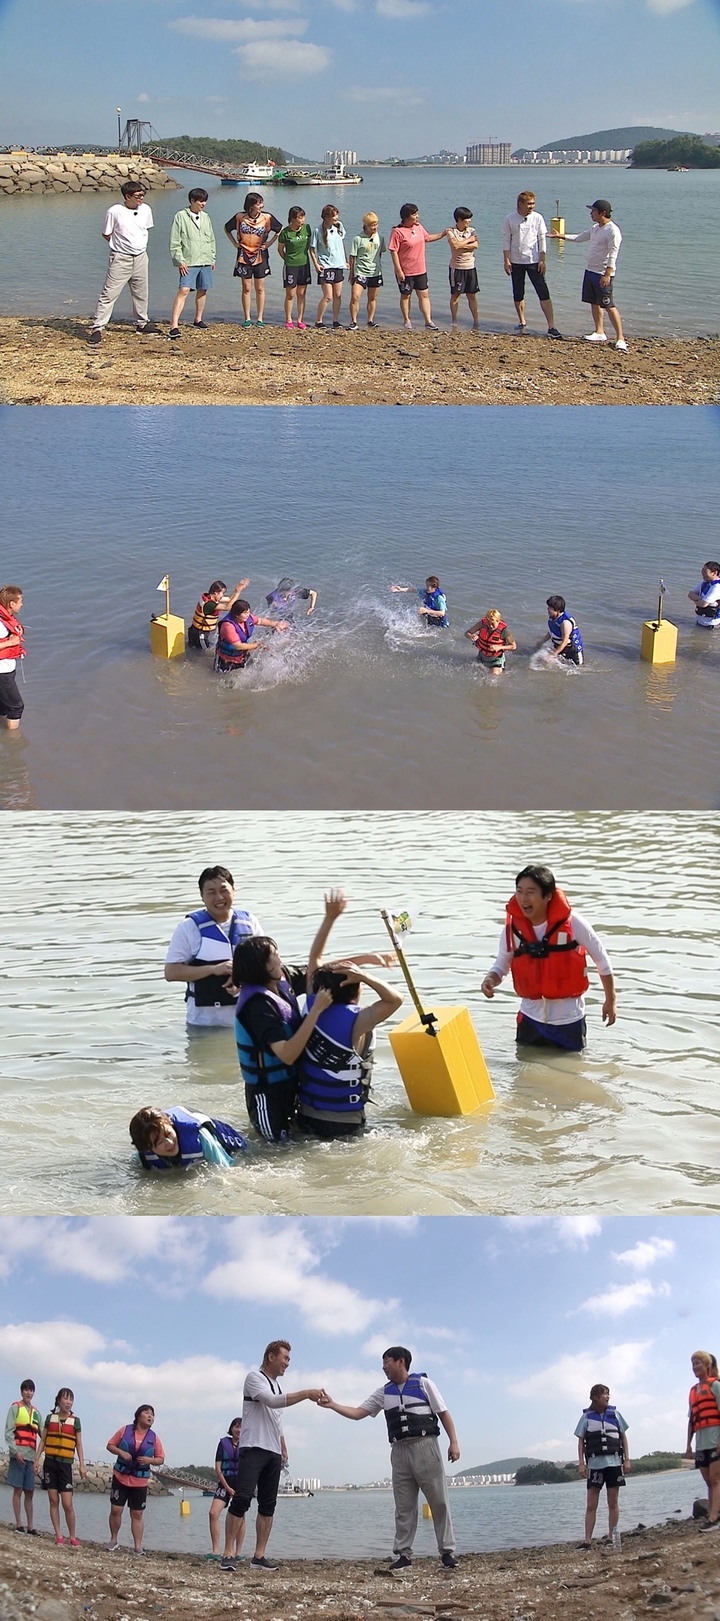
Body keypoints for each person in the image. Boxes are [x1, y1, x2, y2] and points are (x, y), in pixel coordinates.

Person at [318, 1346, 459, 1570]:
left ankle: (447, 1552)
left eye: (387, 1362)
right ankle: (404, 1554)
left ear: (400, 1361)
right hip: (399, 1451)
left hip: (426, 1446)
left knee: (439, 1501)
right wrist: (333, 1405)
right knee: (404, 1506)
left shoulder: (424, 1384)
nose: (383, 1367)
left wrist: (453, 1442)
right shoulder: (384, 1392)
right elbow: (358, 1413)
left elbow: (443, 1413)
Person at [297, 889, 403, 1137]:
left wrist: (330, 918)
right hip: (344, 1123)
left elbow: (315, 958)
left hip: (305, 1115)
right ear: (357, 991)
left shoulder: (313, 1003)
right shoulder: (358, 1021)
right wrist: (366, 973)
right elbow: (395, 999)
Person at [481, 864, 616, 1052]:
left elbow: (602, 959)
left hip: (569, 1021)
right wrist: (490, 979)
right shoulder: (512, 929)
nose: (523, 899)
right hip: (530, 1019)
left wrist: (610, 1000)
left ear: (548, 895)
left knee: (570, 1074)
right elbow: (502, 964)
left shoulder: (573, 923)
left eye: (530, 892)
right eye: (519, 891)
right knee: (525, 1074)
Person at [220, 1340, 325, 1573]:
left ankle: (259, 1555)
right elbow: (272, 1401)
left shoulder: (277, 1385)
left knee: (268, 1505)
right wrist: (307, 1393)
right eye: (285, 1358)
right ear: (271, 1357)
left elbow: (276, 1420)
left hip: (273, 1452)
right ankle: (228, 1553)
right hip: (253, 1448)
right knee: (242, 1499)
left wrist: (283, 1446)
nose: (287, 1363)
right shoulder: (254, 1378)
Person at [233, 935, 333, 1142]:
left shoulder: (281, 979)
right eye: (275, 955)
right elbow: (286, 1054)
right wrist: (315, 1011)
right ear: (261, 966)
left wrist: (366, 961)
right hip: (267, 1094)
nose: (280, 959)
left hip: (294, 1084)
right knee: (274, 1149)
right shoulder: (259, 1006)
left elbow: (317, 971)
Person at [164, 864, 263, 1029]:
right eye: (211, 892)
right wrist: (212, 969)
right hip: (204, 1024)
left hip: (247, 1021)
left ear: (234, 890)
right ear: (202, 896)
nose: (219, 897)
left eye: (224, 890)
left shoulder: (249, 922)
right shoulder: (189, 927)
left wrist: (241, 976)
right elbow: (171, 973)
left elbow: (270, 965)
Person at [87, 180, 160, 345]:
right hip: (121, 257)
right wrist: (118, 246)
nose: (141, 198)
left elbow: (144, 230)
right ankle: (98, 327)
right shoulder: (114, 211)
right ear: (127, 196)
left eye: (143, 195)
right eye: (137, 196)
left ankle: (142, 322)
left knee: (141, 292)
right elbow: (107, 234)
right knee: (109, 293)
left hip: (141, 256)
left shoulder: (146, 209)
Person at [551, 200, 627, 351]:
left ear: (602, 213)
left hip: (602, 273)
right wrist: (560, 236)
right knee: (594, 302)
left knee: (608, 305)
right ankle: (599, 332)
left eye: (593, 211)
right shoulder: (595, 228)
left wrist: (608, 274)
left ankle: (620, 338)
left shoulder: (613, 231)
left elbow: (613, 253)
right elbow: (580, 238)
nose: (590, 213)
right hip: (590, 271)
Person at [575, 1384, 630, 1549]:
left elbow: (623, 1437)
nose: (607, 1397)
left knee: (613, 1503)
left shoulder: (615, 1414)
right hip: (595, 1465)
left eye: (608, 1394)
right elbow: (581, 1441)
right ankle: (587, 1541)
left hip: (614, 1463)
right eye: (604, 1394)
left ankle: (611, 1537)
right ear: (595, 1397)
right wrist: (581, 1463)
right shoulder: (586, 1417)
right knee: (591, 1505)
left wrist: (627, 1459)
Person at [502, 191, 562, 338]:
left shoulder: (537, 218)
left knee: (543, 292)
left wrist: (543, 260)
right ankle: (522, 321)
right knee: (518, 293)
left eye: (533, 204)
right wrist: (506, 260)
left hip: (534, 261)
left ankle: (551, 326)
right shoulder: (510, 219)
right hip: (516, 261)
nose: (531, 207)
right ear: (520, 204)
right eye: (529, 204)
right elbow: (506, 241)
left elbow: (542, 240)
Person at [107, 1404, 165, 1554]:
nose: (150, 1416)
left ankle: (138, 1546)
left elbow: (160, 1459)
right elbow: (110, 1445)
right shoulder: (125, 1430)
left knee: (137, 1514)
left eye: (152, 1414)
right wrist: (121, 1452)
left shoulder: (154, 1437)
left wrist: (149, 1460)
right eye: (146, 1413)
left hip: (139, 1481)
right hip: (121, 1476)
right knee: (116, 1509)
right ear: (138, 1416)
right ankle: (113, 1540)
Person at [36, 1388, 86, 1547]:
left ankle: (72, 1536)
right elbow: (43, 1441)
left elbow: (78, 1444)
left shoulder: (76, 1421)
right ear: (58, 1400)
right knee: (53, 1500)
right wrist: (36, 1460)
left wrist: (82, 1465)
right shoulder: (50, 1418)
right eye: (65, 1399)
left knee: (67, 1503)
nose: (68, 1402)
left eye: (71, 1399)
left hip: (65, 1465)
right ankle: (58, 1535)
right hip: (50, 1463)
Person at [225, 192, 282, 328]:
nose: (261, 206)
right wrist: (234, 243)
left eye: (262, 202)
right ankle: (247, 318)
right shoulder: (240, 217)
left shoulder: (267, 217)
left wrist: (270, 243)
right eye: (258, 203)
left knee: (260, 288)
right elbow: (227, 229)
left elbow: (279, 229)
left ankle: (260, 318)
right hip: (243, 256)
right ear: (251, 206)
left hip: (261, 256)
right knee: (246, 287)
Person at [129, 1106, 248, 1170]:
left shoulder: (200, 1136)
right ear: (147, 1148)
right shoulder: (144, 1151)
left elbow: (226, 1167)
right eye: (160, 1142)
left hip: (235, 1148)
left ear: (171, 1124)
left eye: (168, 1134)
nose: (169, 1142)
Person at [168, 188, 217, 338]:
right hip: (189, 260)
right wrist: (179, 260)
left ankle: (198, 319)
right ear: (192, 201)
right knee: (184, 290)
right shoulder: (180, 216)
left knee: (203, 289)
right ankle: (174, 325)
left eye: (205, 201)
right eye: (200, 201)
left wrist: (212, 257)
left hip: (205, 259)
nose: (203, 204)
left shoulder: (206, 217)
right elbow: (175, 241)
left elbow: (211, 239)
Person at [388, 204, 445, 331]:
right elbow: (393, 251)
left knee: (424, 295)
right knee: (406, 295)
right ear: (406, 216)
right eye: (414, 214)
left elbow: (428, 238)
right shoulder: (397, 232)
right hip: (405, 271)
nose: (417, 216)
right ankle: (407, 320)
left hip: (420, 269)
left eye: (417, 213)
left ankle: (428, 321)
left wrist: (443, 234)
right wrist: (398, 270)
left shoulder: (418, 227)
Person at [685, 1350, 720, 1529]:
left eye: (698, 1363)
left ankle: (713, 1517)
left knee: (715, 1479)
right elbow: (692, 1421)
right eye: (693, 1364)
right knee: (708, 1480)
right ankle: (714, 1512)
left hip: (715, 1439)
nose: (695, 1366)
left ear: (707, 1365)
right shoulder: (693, 1392)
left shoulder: (715, 1386)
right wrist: (688, 1445)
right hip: (701, 1442)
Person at [4, 1379, 42, 1534]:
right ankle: (19, 1524)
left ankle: (31, 1526)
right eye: (26, 1390)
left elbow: (43, 1435)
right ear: (22, 1392)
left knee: (30, 1492)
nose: (29, 1393)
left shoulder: (36, 1413)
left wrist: (38, 1459)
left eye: (31, 1390)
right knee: (18, 1490)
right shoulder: (15, 1408)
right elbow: (8, 1433)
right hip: (18, 1455)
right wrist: (15, 1451)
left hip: (31, 1457)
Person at [214, 598, 289, 674]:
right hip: (226, 659)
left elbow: (260, 621)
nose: (248, 615)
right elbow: (238, 646)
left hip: (242, 655)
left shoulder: (248, 618)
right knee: (223, 679)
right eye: (245, 613)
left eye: (248, 612)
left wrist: (276, 624)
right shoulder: (228, 626)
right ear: (236, 615)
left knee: (250, 672)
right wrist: (257, 645)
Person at [209, 1417, 245, 1558]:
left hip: (241, 1484)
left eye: (242, 1427)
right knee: (213, 1513)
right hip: (225, 1482)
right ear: (231, 1428)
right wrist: (227, 1487)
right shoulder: (223, 1443)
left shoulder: (247, 1445)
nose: (239, 1430)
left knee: (241, 1516)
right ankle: (215, 1550)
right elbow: (218, 1468)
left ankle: (238, 1552)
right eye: (236, 1427)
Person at [310, 205, 348, 329]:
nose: (336, 218)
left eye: (337, 215)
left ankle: (335, 321)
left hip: (338, 265)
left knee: (338, 295)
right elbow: (312, 249)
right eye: (334, 216)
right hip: (325, 266)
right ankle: (318, 321)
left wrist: (345, 261)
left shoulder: (339, 227)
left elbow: (341, 245)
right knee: (328, 296)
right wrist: (316, 264)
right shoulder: (317, 230)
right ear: (326, 217)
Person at [348, 212, 387, 330]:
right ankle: (354, 321)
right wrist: (351, 273)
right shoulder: (358, 239)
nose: (374, 227)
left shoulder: (380, 238)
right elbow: (352, 257)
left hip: (375, 273)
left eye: (376, 224)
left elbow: (380, 254)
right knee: (355, 296)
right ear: (365, 225)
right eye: (372, 225)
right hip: (360, 272)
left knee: (372, 298)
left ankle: (370, 320)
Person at [277, 206, 312, 330]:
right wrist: (288, 259)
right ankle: (288, 320)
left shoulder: (307, 229)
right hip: (291, 266)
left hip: (304, 264)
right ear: (292, 219)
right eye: (300, 217)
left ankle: (300, 320)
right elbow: (280, 250)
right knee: (290, 294)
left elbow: (309, 246)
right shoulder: (285, 232)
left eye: (303, 216)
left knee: (301, 293)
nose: (303, 219)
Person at [188, 579, 249, 651]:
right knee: (204, 652)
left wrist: (237, 590)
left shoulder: (208, 597)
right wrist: (238, 592)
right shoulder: (209, 605)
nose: (222, 595)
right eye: (222, 593)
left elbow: (229, 599)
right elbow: (228, 607)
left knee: (193, 649)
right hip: (200, 634)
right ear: (215, 593)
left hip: (195, 630)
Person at [447, 207, 480, 331]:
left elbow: (476, 245)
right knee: (456, 295)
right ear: (459, 219)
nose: (469, 221)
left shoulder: (472, 230)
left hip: (470, 267)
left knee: (472, 295)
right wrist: (469, 241)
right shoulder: (451, 231)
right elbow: (455, 246)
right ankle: (454, 320)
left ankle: (476, 320)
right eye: (467, 219)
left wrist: (464, 244)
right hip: (457, 268)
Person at [0, 584, 26, 730]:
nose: (22, 604)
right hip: (2, 673)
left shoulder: (5, 619)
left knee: (3, 706)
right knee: (16, 707)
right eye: (20, 601)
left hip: (5, 671)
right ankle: (13, 741)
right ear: (12, 604)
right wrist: (10, 642)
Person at [465, 608, 517, 673]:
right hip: (481, 656)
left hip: (496, 660)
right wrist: (471, 636)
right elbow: (467, 633)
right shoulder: (482, 624)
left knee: (493, 678)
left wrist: (499, 647)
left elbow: (513, 646)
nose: (491, 626)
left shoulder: (505, 631)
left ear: (498, 621)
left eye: (493, 623)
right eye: (489, 623)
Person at [537, 595, 584, 665]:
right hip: (560, 647)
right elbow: (551, 632)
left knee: (579, 669)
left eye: (550, 608)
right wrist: (541, 642)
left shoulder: (565, 622)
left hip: (572, 650)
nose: (547, 609)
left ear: (558, 610)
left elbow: (565, 641)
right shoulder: (552, 617)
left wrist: (554, 654)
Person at [688, 562, 720, 629]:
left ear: (714, 573)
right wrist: (700, 598)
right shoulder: (704, 582)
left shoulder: (717, 587)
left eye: (705, 571)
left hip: (712, 624)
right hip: (700, 621)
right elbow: (690, 594)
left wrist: (697, 600)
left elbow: (703, 604)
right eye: (702, 570)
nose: (702, 573)